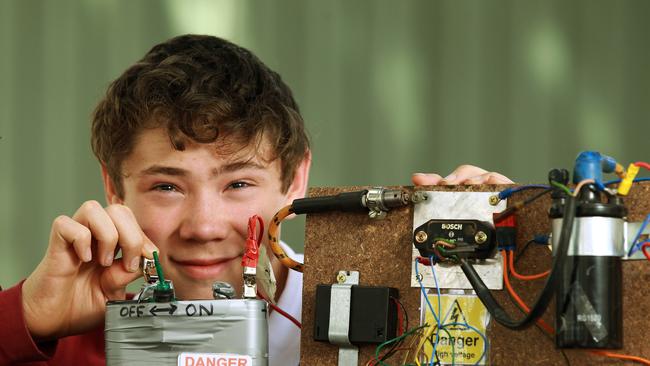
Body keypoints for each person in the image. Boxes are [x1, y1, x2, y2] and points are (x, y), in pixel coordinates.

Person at [0, 34, 512, 366]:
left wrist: (511, 288)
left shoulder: (405, 324)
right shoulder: (63, 340)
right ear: (114, 189)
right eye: (166, 186)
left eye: (238, 184)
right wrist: (23, 317)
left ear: (296, 180)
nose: (203, 226)